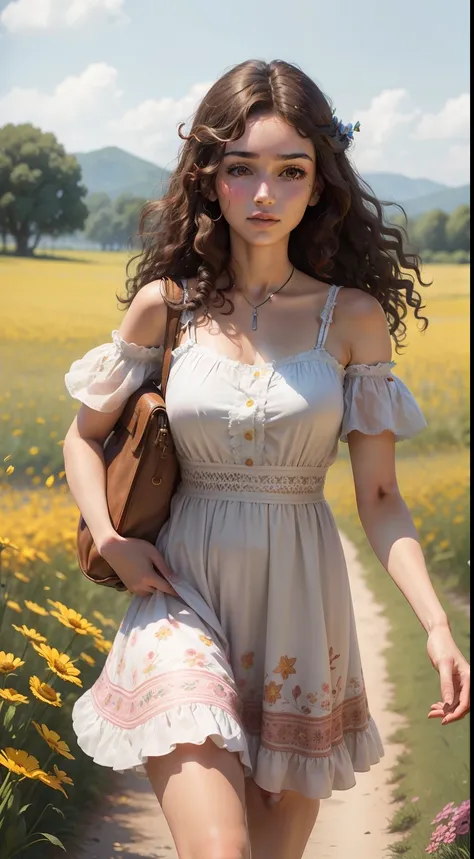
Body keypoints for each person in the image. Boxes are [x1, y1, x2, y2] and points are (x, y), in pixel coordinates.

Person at [63, 59, 470, 859]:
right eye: (241, 168)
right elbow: (83, 436)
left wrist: (436, 624)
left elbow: (381, 495)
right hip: (179, 595)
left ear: (319, 185)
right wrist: (110, 538)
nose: (263, 194)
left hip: (301, 609)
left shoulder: (352, 321)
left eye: (290, 171)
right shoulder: (167, 306)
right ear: (209, 177)